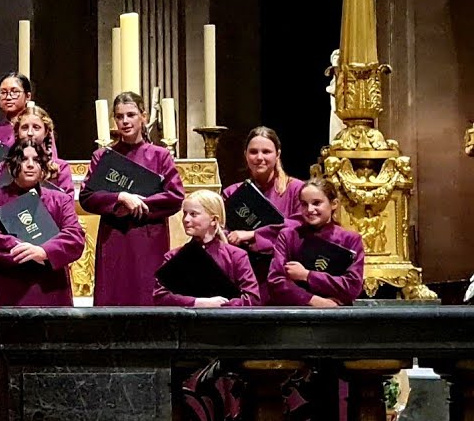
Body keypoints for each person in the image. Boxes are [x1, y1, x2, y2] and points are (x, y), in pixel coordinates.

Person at [0, 139, 85, 421]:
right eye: (23, 159)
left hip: (48, 292)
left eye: (36, 159)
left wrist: (43, 251)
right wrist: (22, 250)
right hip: (6, 291)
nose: (30, 164)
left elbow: (74, 238)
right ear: (12, 164)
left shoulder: (59, 200)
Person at [79, 92, 186, 306]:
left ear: (143, 116)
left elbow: (175, 196)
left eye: (131, 115)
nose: (125, 121)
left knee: (145, 296)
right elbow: (87, 196)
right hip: (114, 238)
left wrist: (138, 204)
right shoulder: (103, 157)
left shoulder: (159, 155)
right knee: (113, 296)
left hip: (147, 238)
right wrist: (120, 197)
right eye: (119, 117)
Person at [222, 127, 304, 303]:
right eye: (253, 152)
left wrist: (254, 235)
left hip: (284, 274)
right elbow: (222, 231)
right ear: (245, 155)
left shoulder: (296, 189)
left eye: (266, 152)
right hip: (246, 275)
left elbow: (300, 227)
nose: (259, 157)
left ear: (278, 154)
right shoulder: (232, 192)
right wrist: (231, 237)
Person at [267, 178, 365, 306]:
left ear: (334, 204)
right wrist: (315, 301)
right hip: (295, 315)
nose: (310, 209)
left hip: (338, 318)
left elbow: (352, 286)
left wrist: (307, 275)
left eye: (316, 203)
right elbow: (276, 282)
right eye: (304, 204)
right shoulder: (288, 236)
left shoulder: (350, 239)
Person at [153, 190, 261, 307]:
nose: (186, 219)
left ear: (214, 220)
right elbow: (160, 297)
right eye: (185, 213)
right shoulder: (173, 256)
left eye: (193, 214)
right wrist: (198, 302)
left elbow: (252, 299)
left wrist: (223, 305)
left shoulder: (236, 256)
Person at [0, 106, 74, 193]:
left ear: (46, 132)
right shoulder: (4, 167)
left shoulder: (61, 168)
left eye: (36, 127)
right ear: (17, 132)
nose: (30, 133)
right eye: (24, 127)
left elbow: (67, 202)